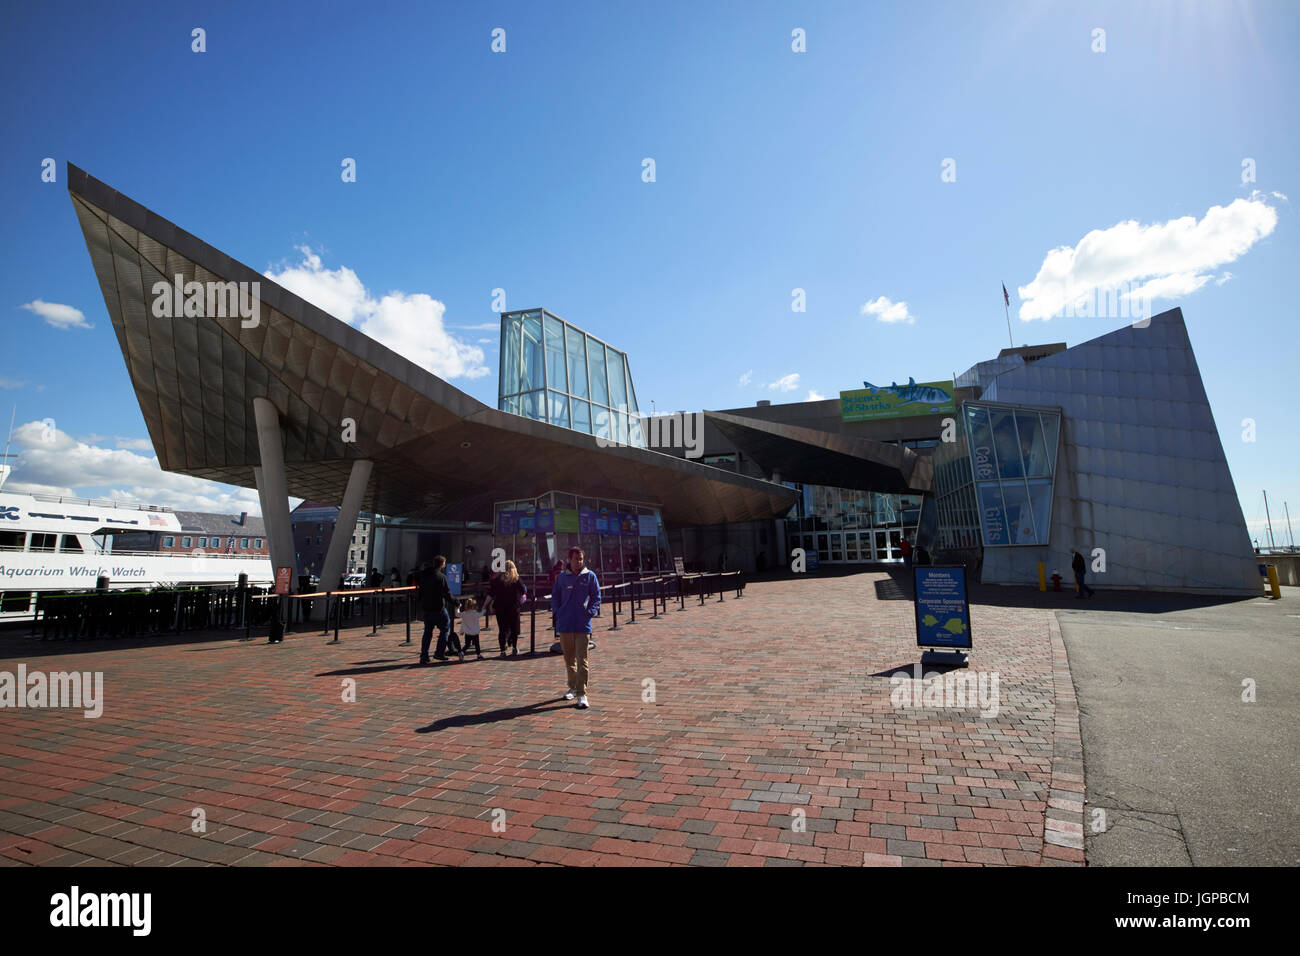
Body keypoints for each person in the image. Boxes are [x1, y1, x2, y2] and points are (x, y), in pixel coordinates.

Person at [551, 547, 601, 709]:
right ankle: (572, 686)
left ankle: (582, 693)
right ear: (569, 560)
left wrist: (590, 612)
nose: (579, 561)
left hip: (582, 625)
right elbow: (556, 596)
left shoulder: (590, 576)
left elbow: (596, 597)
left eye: (581, 559)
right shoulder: (562, 578)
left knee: (582, 661)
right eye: (576, 559)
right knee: (569, 660)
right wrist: (557, 612)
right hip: (565, 625)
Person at [418, 557, 462, 662]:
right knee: (445, 628)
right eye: (444, 563)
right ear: (442, 564)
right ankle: (439, 652)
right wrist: (456, 602)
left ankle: (424, 655)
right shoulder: (441, 577)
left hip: (426, 607)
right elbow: (446, 593)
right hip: (438, 608)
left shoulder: (424, 575)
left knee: (427, 632)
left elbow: (420, 591)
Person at [486, 560, 527, 657]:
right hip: (513, 607)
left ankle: (502, 650)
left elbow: (491, 593)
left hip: (500, 607)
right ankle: (514, 648)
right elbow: (523, 591)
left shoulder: (497, 579)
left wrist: (485, 606)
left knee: (502, 629)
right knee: (514, 628)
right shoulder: (516, 579)